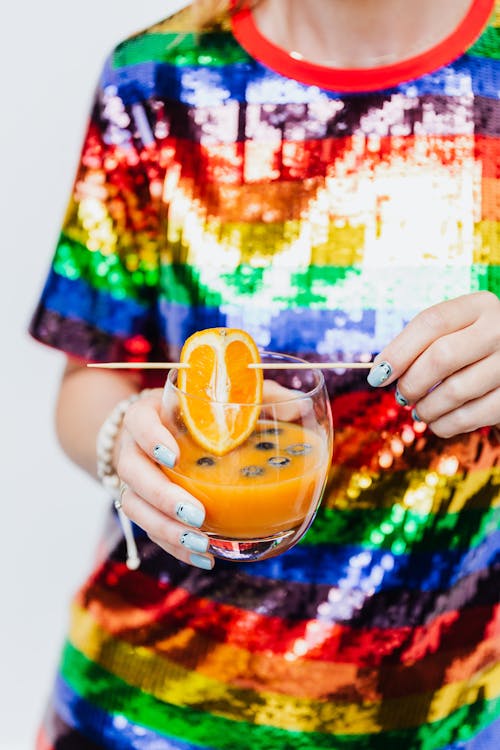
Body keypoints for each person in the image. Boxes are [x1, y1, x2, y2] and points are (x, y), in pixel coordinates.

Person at [30, 0, 500, 747]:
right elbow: (89, 386)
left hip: (439, 717)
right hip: (150, 713)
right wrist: (124, 440)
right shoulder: (156, 77)